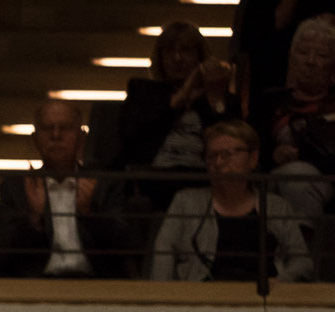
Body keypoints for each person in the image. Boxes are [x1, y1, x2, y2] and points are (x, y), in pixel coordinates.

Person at [0, 99, 139, 278]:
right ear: (35, 139)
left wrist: (90, 214)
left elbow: (125, 246)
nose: (56, 135)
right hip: (36, 287)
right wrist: (33, 219)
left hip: (94, 284)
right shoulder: (16, 187)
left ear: (81, 138)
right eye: (48, 128)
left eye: (65, 128)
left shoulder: (103, 184)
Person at [151, 119, 316, 280]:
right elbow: (163, 251)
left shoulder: (276, 206)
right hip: (203, 297)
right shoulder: (185, 202)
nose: (219, 162)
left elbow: (302, 260)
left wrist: (280, 283)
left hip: (263, 297)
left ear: (252, 159)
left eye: (228, 154)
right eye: (212, 155)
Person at [114, 21, 241, 215]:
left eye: (187, 51)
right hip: (154, 179)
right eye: (169, 52)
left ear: (199, 56)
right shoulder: (143, 92)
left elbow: (231, 141)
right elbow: (131, 135)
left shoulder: (216, 97)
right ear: (160, 58)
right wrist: (179, 99)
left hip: (202, 178)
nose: (178, 58)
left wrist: (215, 99)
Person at [259, 16, 335, 221]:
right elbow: (250, 147)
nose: (310, 61)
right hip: (275, 180)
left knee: (300, 175)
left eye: (321, 55)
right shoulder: (270, 101)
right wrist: (273, 155)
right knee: (295, 176)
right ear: (292, 58)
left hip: (328, 180)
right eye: (303, 53)